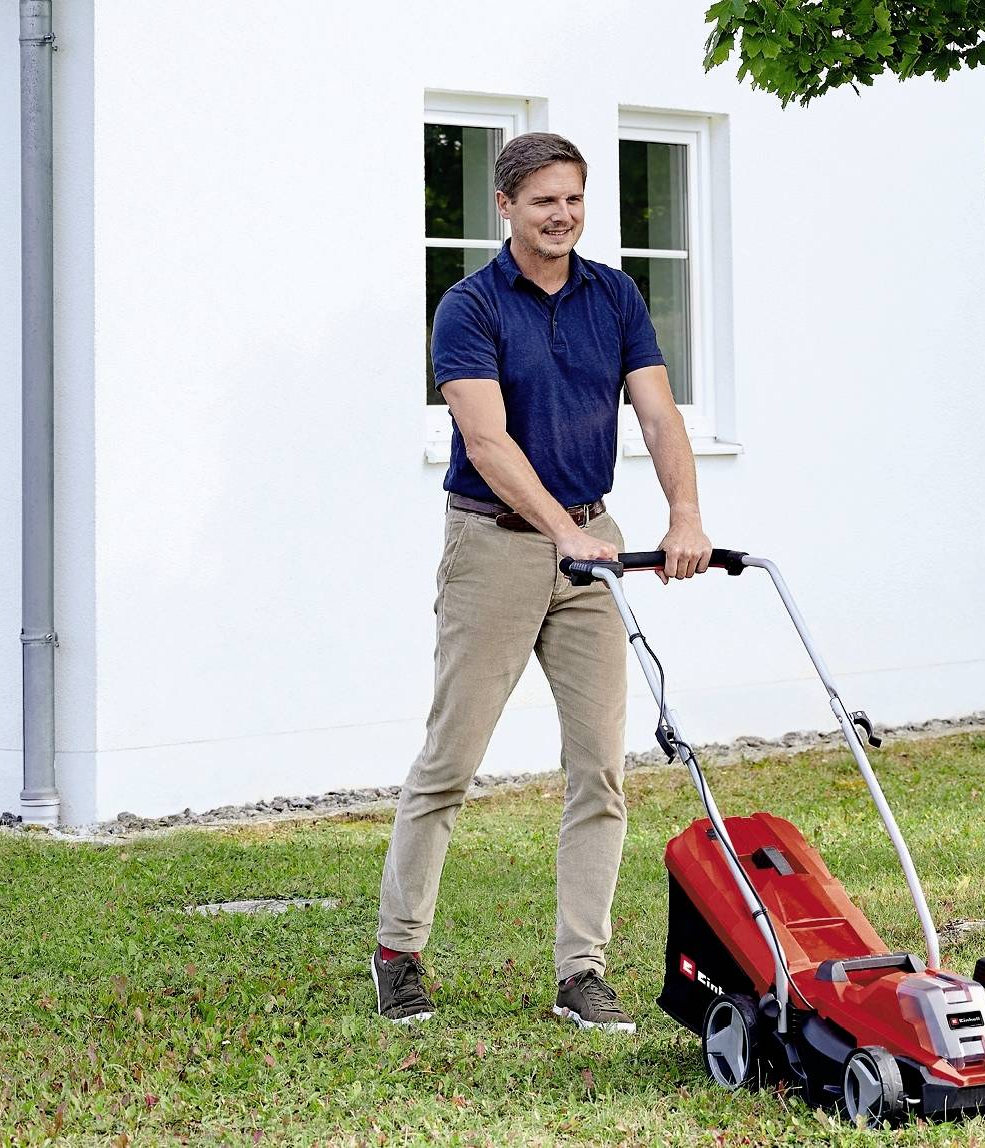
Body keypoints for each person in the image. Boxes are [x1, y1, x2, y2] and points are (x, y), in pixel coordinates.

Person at [372, 132, 711, 1031]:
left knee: (601, 769)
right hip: (496, 545)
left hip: (595, 543)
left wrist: (683, 515)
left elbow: (657, 413)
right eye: (544, 201)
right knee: (451, 761)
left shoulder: (616, 295)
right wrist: (563, 534)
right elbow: (486, 442)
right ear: (507, 207)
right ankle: (398, 952)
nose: (562, 215)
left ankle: (581, 971)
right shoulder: (470, 306)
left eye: (574, 199)